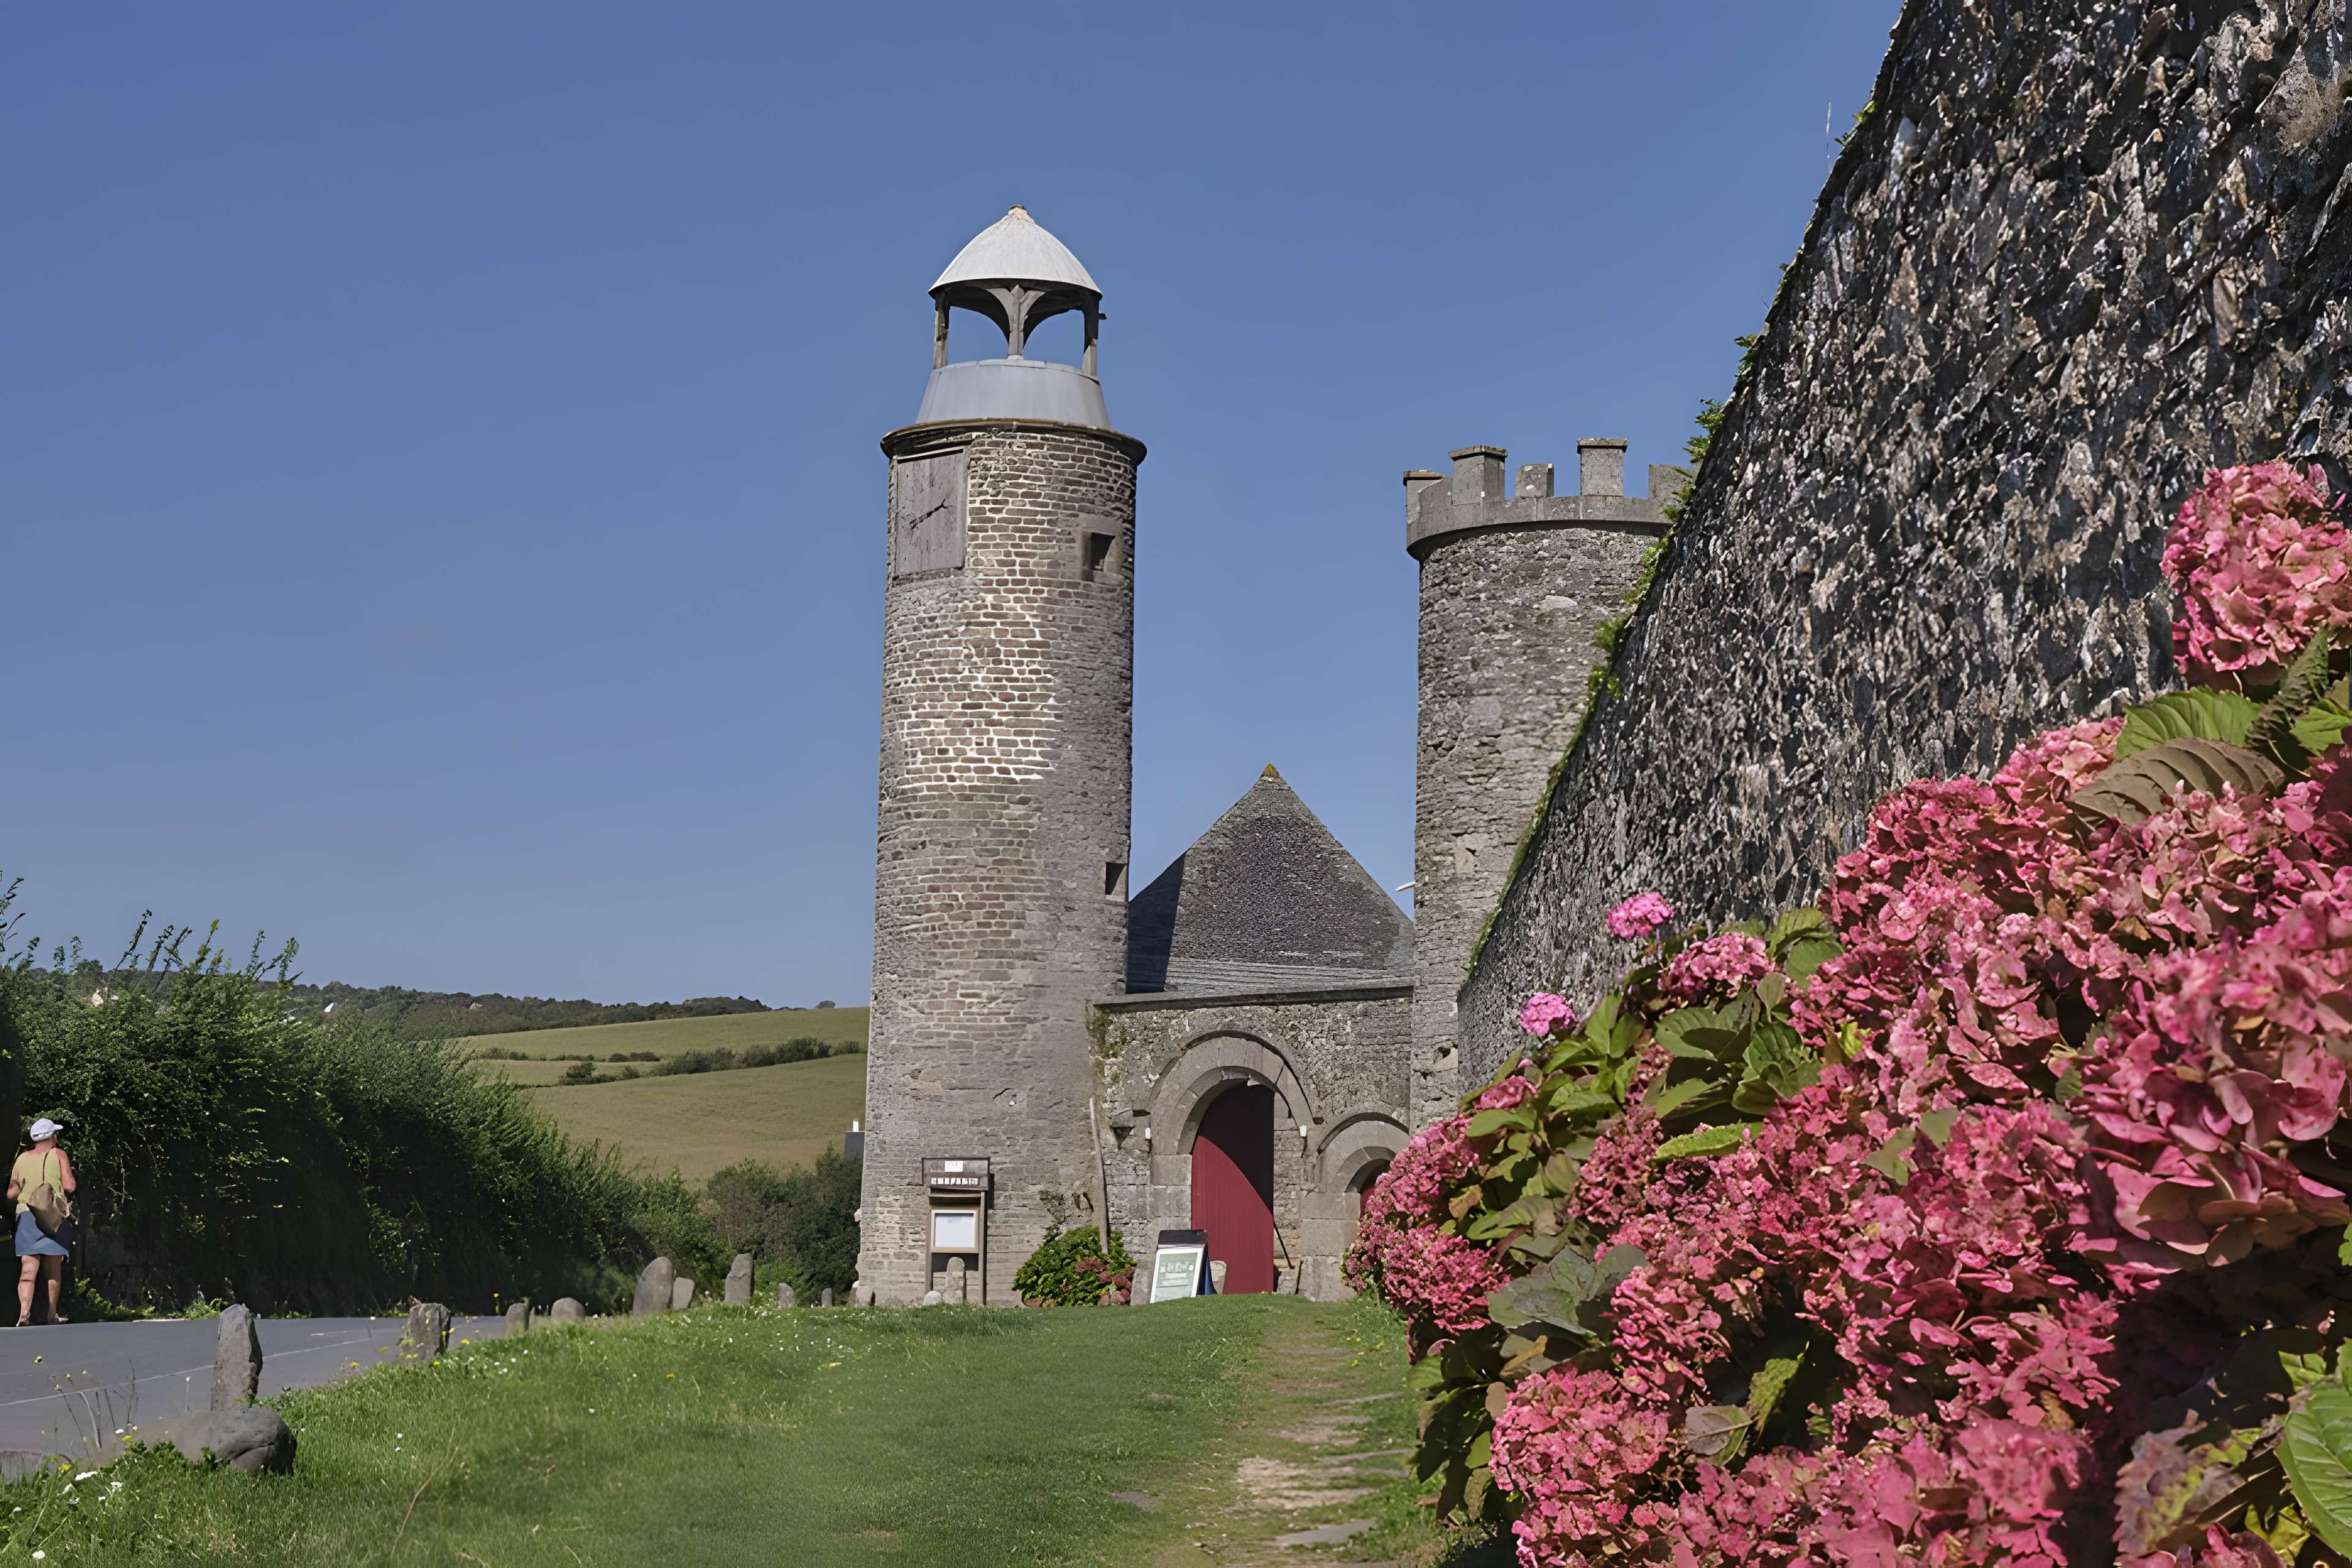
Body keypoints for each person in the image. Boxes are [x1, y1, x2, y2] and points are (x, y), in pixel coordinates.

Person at [7, 1118, 74, 1327]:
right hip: (52, 1216)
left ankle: (23, 1315)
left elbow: (12, 1193)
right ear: (53, 1136)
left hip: (27, 1214)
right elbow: (70, 1186)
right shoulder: (59, 1154)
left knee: (28, 1269)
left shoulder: (22, 1158)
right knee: (53, 1271)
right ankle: (52, 1314)